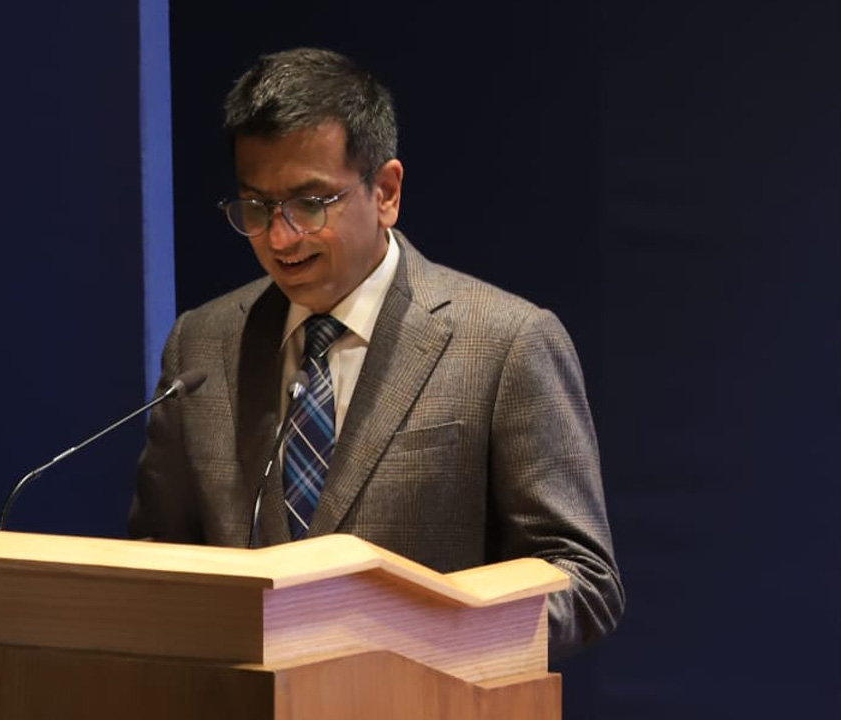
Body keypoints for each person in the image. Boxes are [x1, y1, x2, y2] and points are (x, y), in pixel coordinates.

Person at [128, 47, 623, 659]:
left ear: (385, 191)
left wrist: (422, 629)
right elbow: (157, 556)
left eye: (309, 204)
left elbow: (582, 578)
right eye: (256, 207)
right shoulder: (202, 344)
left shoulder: (506, 343)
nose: (280, 237)